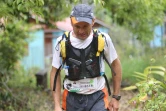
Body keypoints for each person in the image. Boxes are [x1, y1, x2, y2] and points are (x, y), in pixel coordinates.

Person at [50, 4, 122, 111]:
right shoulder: (62, 42)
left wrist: (116, 97)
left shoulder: (102, 39)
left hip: (98, 96)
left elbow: (115, 65)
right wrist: (56, 105)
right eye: (77, 26)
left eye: (85, 26)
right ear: (71, 22)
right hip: (72, 98)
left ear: (93, 21)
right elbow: (54, 72)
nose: (81, 31)